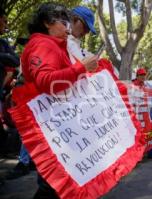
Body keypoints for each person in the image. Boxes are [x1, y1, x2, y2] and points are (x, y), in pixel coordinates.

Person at [20, 3, 99, 198]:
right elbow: (47, 82)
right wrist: (81, 68)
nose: (67, 28)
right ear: (47, 22)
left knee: (57, 185)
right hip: (53, 127)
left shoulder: (53, 45)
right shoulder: (43, 44)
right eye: (63, 22)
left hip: (58, 125)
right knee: (53, 186)